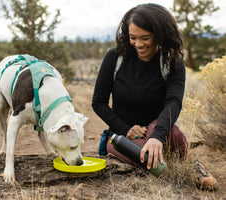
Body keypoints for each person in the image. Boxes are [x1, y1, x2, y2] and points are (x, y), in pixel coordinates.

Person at [92, 3, 216, 189]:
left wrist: (157, 136)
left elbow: (173, 102)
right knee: (127, 148)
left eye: (145, 38)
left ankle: (190, 163)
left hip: (159, 129)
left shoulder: (172, 61)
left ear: (159, 35)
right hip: (123, 136)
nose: (138, 44)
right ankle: (168, 169)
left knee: (172, 133)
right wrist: (125, 129)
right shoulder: (114, 57)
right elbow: (98, 103)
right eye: (133, 38)